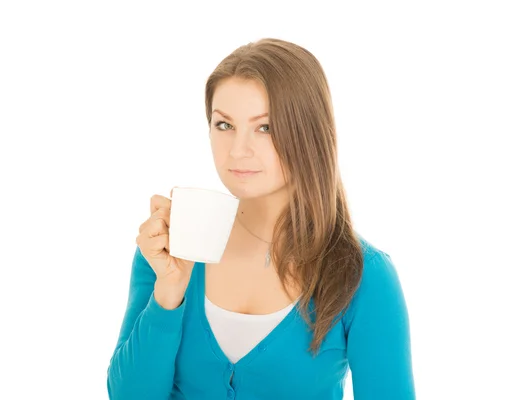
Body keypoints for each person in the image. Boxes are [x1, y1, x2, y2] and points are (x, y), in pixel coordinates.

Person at [106, 38, 415, 399]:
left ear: (309, 134)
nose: (238, 150)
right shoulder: (171, 247)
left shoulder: (364, 275)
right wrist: (168, 295)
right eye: (224, 125)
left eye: (264, 127)